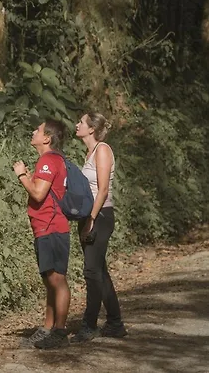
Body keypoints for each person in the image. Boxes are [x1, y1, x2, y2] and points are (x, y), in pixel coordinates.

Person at [13, 118, 71, 349]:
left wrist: (21, 176)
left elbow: (38, 194)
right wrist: (30, 178)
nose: (33, 132)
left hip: (52, 227)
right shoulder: (51, 160)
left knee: (57, 279)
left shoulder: (48, 159)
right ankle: (47, 328)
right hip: (46, 227)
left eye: (37, 130)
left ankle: (60, 331)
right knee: (50, 280)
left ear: (46, 138)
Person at [71, 112, 127, 342]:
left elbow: (102, 190)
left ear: (91, 129)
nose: (77, 125)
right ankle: (115, 323)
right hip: (89, 215)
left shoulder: (102, 150)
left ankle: (89, 325)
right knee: (99, 271)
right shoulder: (90, 152)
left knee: (91, 271)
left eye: (81, 122)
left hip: (100, 216)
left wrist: (91, 219)